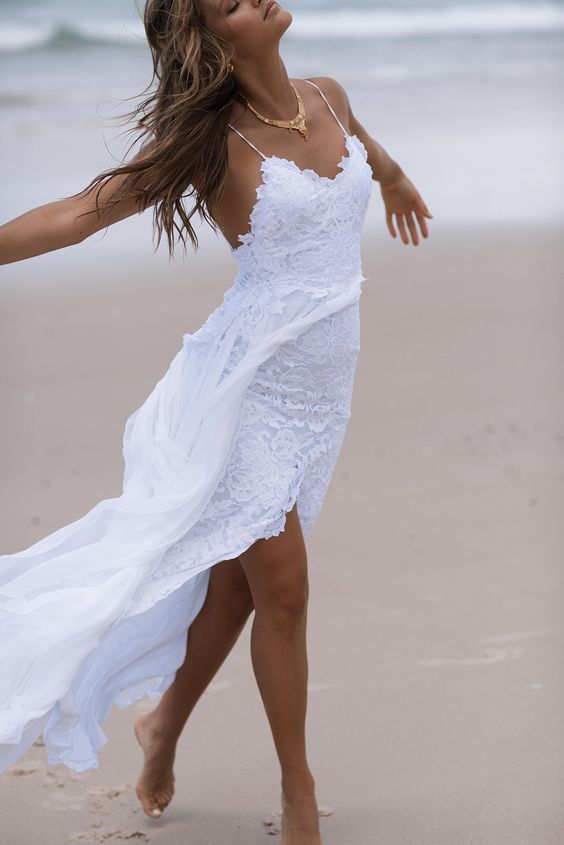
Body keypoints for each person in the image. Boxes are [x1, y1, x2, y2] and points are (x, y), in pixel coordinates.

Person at [0, 1, 432, 842]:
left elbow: (365, 149)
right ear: (214, 38)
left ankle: (161, 729)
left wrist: (395, 176)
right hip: (245, 393)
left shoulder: (329, 96)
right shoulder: (211, 145)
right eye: (231, 1)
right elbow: (80, 211)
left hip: (320, 398)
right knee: (284, 586)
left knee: (234, 593)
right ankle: (299, 792)